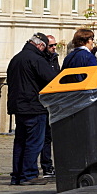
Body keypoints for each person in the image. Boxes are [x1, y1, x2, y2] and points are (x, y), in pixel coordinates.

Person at [6, 33, 55, 185]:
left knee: (20, 141)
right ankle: (29, 174)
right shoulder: (37, 59)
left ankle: (18, 175)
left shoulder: (16, 58)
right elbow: (52, 79)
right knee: (34, 142)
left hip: (19, 106)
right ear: (40, 45)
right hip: (34, 106)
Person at [39, 34, 59, 178]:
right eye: (51, 45)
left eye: (55, 45)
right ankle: (46, 165)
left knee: (51, 135)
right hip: (43, 101)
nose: (53, 48)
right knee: (45, 136)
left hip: (54, 101)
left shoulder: (54, 58)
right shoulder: (41, 59)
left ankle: (50, 164)